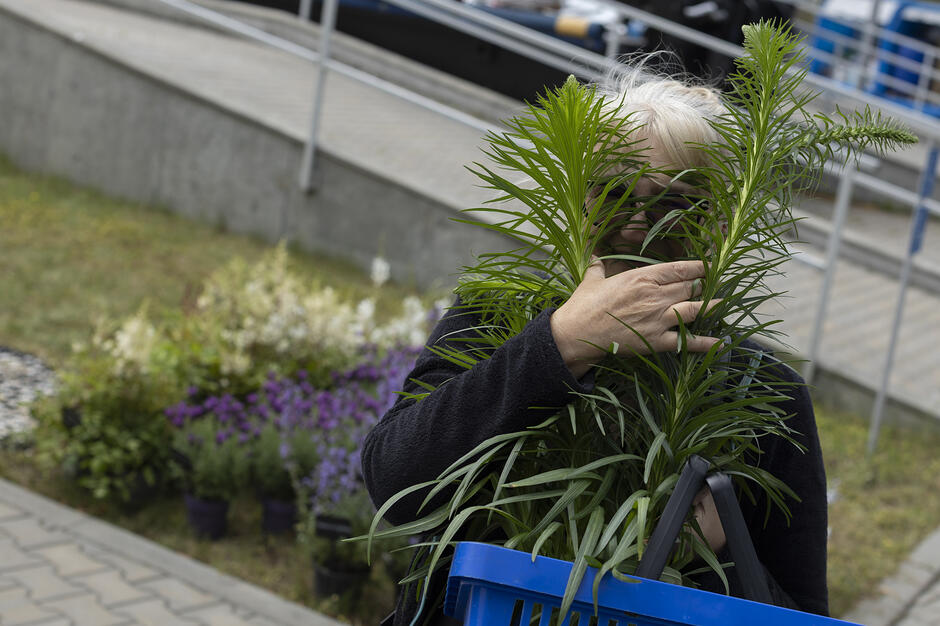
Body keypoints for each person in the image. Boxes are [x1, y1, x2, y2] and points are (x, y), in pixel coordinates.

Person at [362, 70, 829, 626]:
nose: (636, 225)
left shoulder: (765, 392)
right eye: (612, 192)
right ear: (579, 198)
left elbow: (801, 615)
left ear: (722, 220)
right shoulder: (497, 315)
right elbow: (395, 483)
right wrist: (560, 344)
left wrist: (712, 556)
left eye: (674, 205)